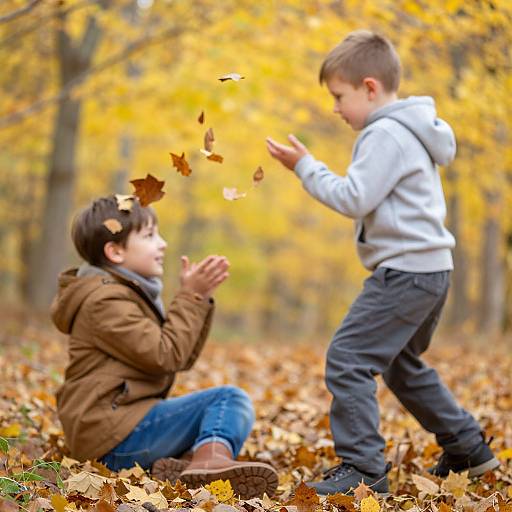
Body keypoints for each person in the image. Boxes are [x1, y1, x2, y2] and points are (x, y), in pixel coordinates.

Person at [266, 30, 499, 495]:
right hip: (430, 270)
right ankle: (469, 449)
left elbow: (354, 197)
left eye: (339, 96)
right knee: (400, 364)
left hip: (407, 273)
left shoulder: (385, 134)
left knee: (348, 357)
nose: (335, 108)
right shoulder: (411, 130)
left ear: (370, 88)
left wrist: (306, 168)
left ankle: (364, 468)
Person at [51, 194, 278, 498]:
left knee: (212, 413)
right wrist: (191, 297)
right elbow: (166, 354)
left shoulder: (121, 292)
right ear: (115, 251)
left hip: (115, 430)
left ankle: (185, 464)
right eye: (149, 236)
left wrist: (197, 297)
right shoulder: (104, 301)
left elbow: (177, 357)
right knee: (228, 400)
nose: (163, 243)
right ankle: (209, 462)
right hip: (111, 440)